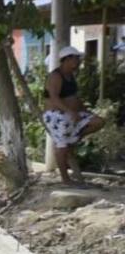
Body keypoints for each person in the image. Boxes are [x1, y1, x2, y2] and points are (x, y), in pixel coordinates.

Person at [43, 46, 105, 186]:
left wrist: (86, 111)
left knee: (98, 121)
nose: (79, 61)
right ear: (67, 59)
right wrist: (69, 111)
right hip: (56, 115)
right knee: (62, 146)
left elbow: (75, 98)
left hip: (73, 114)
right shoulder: (55, 76)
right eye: (76, 58)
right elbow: (53, 98)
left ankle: (75, 138)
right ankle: (65, 179)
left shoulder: (71, 76)